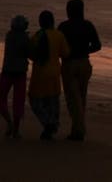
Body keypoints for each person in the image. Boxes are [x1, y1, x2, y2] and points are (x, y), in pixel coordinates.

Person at [58, 0, 102, 141]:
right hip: (84, 63)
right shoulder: (88, 25)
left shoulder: (64, 26)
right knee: (81, 97)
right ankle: (77, 129)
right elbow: (97, 45)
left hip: (69, 64)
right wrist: (84, 50)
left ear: (69, 10)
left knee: (72, 98)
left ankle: (79, 130)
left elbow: (58, 47)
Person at [28, 10, 69, 140]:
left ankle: (48, 124)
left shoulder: (38, 35)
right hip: (54, 73)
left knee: (35, 101)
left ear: (41, 22)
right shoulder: (59, 35)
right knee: (52, 102)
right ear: (52, 21)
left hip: (40, 73)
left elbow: (31, 54)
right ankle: (51, 126)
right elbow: (66, 53)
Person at [0, 15, 30, 139]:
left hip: (7, 71)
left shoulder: (9, 35)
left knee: (1, 97)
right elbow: (28, 52)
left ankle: (9, 122)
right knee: (18, 101)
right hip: (20, 72)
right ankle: (16, 130)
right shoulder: (25, 38)